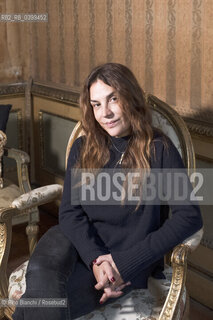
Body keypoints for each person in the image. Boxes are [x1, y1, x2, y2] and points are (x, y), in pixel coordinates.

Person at [12, 63, 203, 320]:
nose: (106, 113)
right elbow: (69, 211)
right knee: (41, 270)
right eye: (96, 104)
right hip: (73, 241)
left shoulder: (160, 150)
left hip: (125, 257)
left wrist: (124, 265)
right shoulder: (84, 147)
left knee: (36, 305)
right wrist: (95, 259)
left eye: (113, 99)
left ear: (130, 97)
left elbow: (188, 217)